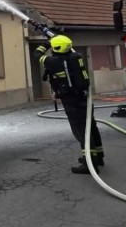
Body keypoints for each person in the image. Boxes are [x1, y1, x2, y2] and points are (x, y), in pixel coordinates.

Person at [35, 35, 104, 174]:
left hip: (71, 99)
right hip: (83, 96)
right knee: (91, 125)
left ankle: (89, 163)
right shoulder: (75, 56)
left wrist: (47, 43)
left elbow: (37, 54)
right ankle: (98, 156)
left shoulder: (53, 62)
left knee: (81, 129)